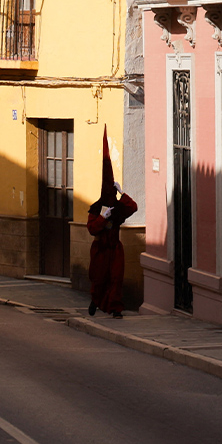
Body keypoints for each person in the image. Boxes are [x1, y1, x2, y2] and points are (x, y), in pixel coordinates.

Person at [87, 130, 136, 318]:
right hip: (100, 249)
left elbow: (132, 207)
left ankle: (115, 308)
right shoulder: (96, 208)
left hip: (115, 248)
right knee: (99, 279)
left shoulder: (118, 207)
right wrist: (102, 217)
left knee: (116, 278)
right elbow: (92, 229)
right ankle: (95, 300)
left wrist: (122, 193)